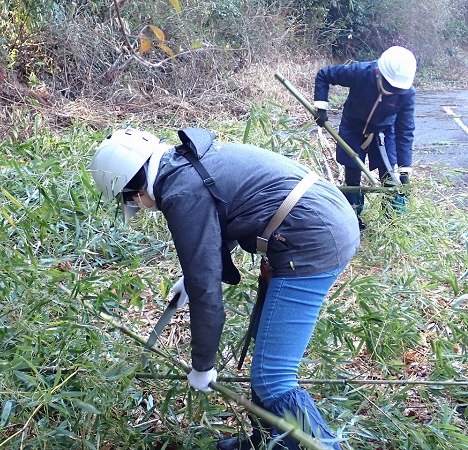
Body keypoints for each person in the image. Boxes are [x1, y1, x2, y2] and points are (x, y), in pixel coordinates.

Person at [90, 127, 361, 449]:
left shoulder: (180, 191)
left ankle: (324, 445)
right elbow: (228, 209)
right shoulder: (186, 162)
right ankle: (268, 442)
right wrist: (192, 279)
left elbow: (207, 294)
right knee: (265, 357)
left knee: (273, 376)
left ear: (135, 186)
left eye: (135, 200)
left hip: (313, 237)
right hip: (320, 217)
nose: (142, 205)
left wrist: (202, 365)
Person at [313, 45, 417, 229]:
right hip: (353, 128)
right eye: (389, 87)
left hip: (383, 133)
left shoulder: (407, 94)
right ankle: (352, 218)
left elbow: (405, 131)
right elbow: (324, 75)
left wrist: (405, 169)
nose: (391, 92)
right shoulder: (360, 72)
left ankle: (392, 222)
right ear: (380, 74)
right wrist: (321, 107)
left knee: (390, 178)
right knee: (352, 174)